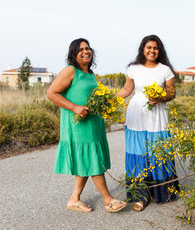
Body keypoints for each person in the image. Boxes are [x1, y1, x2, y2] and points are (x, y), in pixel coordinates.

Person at [47, 38, 127, 213]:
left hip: (93, 123)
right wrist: (75, 107)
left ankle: (74, 199)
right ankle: (108, 200)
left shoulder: (90, 74)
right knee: (92, 160)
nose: (86, 51)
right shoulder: (70, 71)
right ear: (74, 53)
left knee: (86, 160)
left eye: (88, 48)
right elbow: (51, 93)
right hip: (79, 126)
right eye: (81, 49)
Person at [117, 34, 179, 211]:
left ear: (159, 51)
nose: (152, 51)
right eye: (149, 47)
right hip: (136, 114)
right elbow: (127, 90)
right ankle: (140, 196)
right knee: (138, 152)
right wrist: (108, 99)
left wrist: (160, 98)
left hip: (157, 114)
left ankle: (161, 192)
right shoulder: (133, 68)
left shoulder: (165, 70)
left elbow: (171, 94)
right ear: (143, 49)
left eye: (155, 48)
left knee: (158, 151)